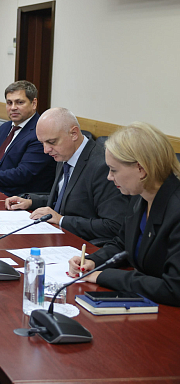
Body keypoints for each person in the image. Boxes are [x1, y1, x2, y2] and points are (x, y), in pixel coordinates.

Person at [67, 122, 180, 306]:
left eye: (114, 170)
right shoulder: (140, 197)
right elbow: (123, 243)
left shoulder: (176, 210)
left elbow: (174, 288)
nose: (109, 177)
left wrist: (104, 276)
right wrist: (92, 261)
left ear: (141, 169)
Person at [5, 107, 131, 243]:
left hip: (83, 245)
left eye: (51, 142)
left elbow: (113, 225)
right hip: (57, 236)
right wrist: (31, 202)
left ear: (74, 134)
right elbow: (65, 199)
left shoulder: (102, 166)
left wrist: (61, 220)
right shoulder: (64, 155)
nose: (46, 150)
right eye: (42, 143)